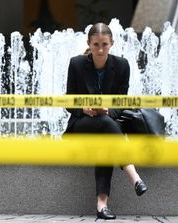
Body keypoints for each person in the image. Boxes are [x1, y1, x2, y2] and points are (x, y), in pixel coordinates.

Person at [64, 23, 148, 220]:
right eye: (95, 45)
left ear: (112, 44)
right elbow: (68, 102)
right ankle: (134, 176)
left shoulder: (121, 66)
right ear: (89, 44)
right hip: (81, 124)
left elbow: (121, 103)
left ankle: (102, 205)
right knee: (107, 126)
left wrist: (108, 110)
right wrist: (83, 108)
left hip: (108, 123)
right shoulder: (76, 64)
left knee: (106, 132)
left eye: (104, 44)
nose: (100, 50)